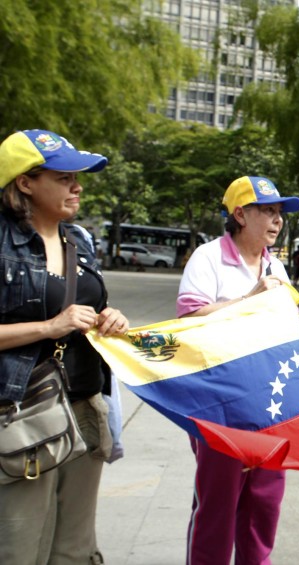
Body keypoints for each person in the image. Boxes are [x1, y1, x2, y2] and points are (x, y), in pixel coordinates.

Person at [0, 129, 130, 564]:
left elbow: (92, 306)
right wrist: (48, 326)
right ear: (24, 182)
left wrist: (112, 318)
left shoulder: (79, 240)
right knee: (21, 546)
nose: (77, 186)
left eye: (79, 177)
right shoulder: (2, 242)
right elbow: (57, 321)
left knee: (74, 548)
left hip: (84, 406)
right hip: (25, 413)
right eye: (64, 177)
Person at [176, 175, 299, 565]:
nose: (277, 220)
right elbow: (190, 318)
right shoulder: (208, 257)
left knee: (264, 506)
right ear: (239, 214)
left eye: (279, 213)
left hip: (269, 403)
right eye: (267, 210)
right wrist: (248, 299)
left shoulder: (275, 266)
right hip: (220, 404)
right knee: (217, 507)